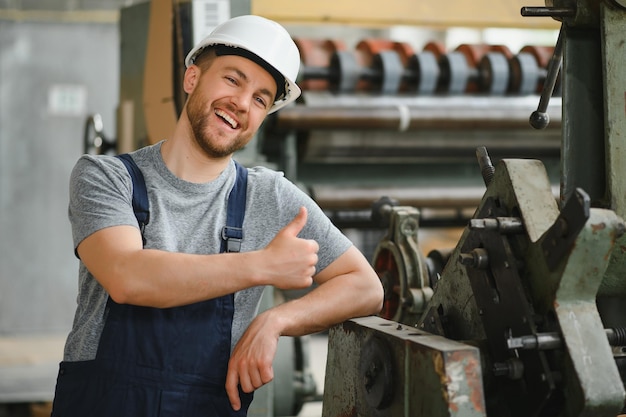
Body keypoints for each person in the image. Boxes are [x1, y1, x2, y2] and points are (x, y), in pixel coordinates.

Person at [50, 14, 384, 417]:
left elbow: (366, 287)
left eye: (261, 99)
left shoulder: (270, 197)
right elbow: (128, 277)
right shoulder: (106, 176)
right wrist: (262, 265)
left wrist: (275, 321)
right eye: (232, 79)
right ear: (192, 78)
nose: (242, 104)